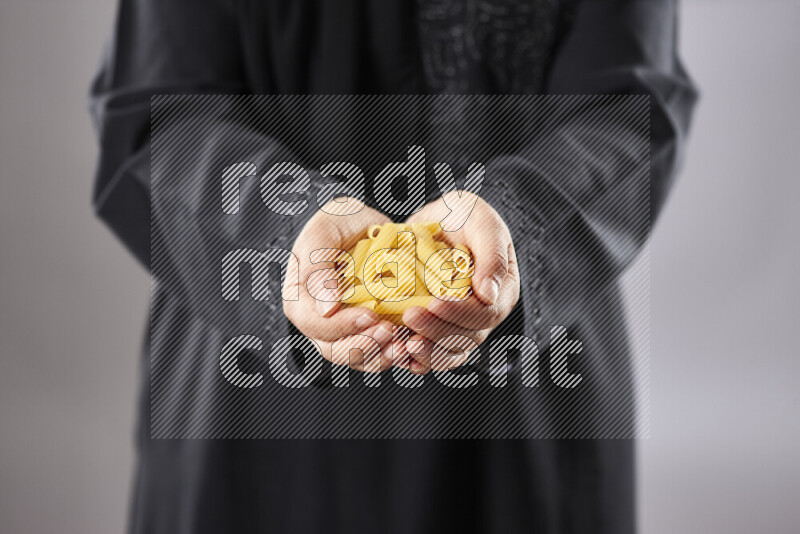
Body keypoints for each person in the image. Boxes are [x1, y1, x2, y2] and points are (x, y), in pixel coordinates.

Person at [90, 0, 696, 532]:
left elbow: (632, 105)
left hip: (527, 390)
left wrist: (519, 223)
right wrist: (280, 231)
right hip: (247, 397)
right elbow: (159, 117)